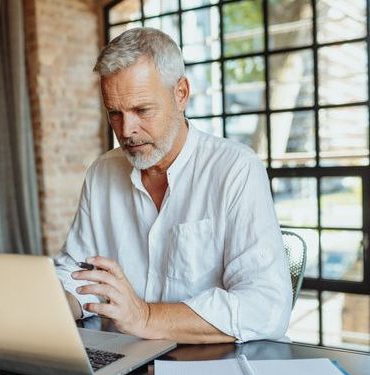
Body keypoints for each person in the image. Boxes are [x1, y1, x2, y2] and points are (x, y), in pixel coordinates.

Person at [53, 27, 291, 344]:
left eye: (142, 110)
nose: (127, 130)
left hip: (212, 366)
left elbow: (265, 307)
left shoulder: (235, 169)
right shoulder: (102, 173)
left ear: (180, 94)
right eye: (115, 113)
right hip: (124, 361)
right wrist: (54, 304)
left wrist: (146, 317)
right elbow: (78, 274)